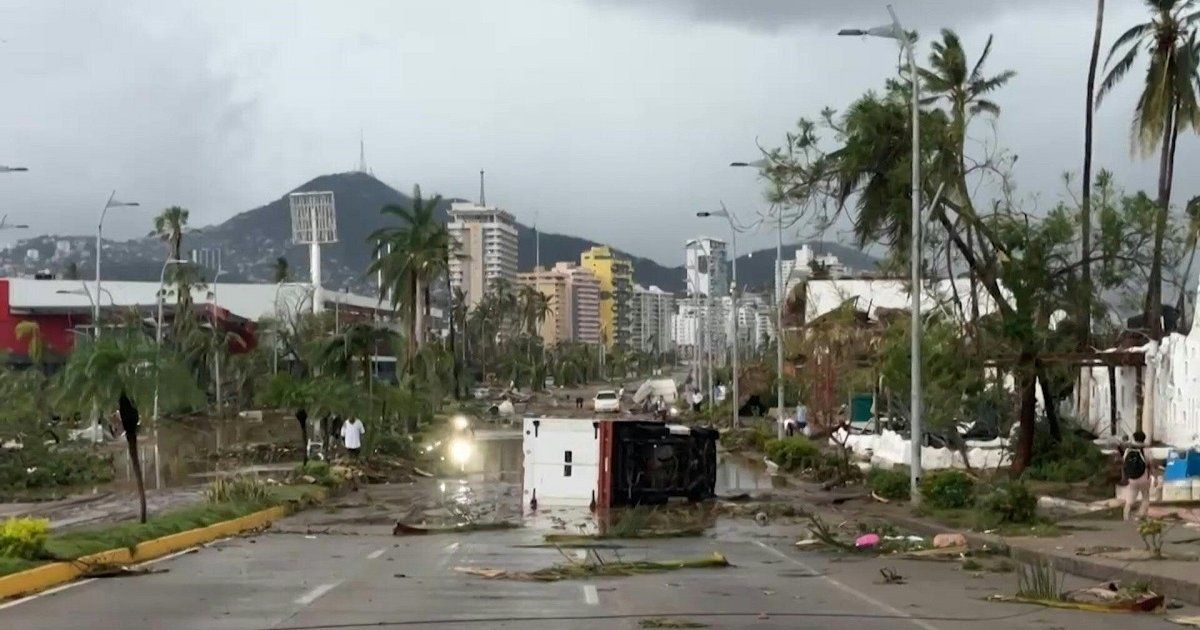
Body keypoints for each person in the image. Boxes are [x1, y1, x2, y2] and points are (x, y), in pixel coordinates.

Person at [1121, 430, 1152, 521]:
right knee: (1145, 496)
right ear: (1144, 439)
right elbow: (1150, 463)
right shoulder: (1145, 450)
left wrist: (1125, 476)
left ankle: (1126, 515)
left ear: (1134, 438)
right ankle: (1142, 515)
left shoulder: (1128, 450)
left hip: (1132, 478)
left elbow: (1124, 463)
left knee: (1131, 497)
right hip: (1143, 477)